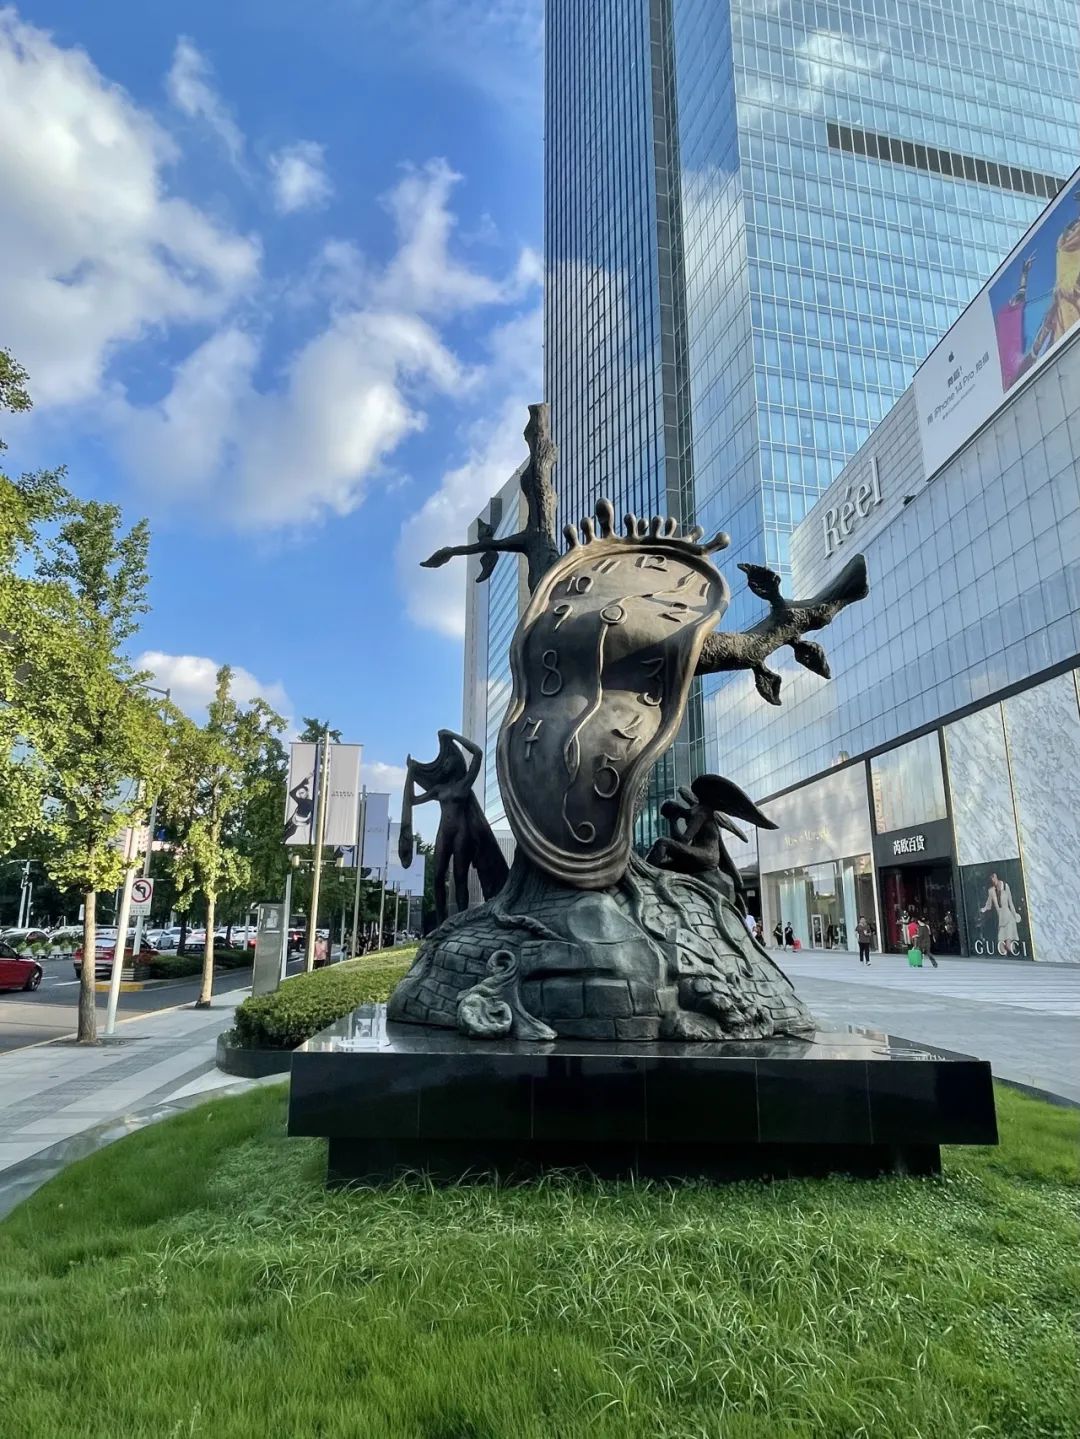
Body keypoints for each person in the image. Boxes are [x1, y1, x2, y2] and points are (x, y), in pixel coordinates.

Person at [981, 871, 1021, 954]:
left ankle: (1015, 955)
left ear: (996, 876)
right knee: (1001, 944)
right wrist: (983, 909)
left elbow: (1011, 903)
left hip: (1009, 918)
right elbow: (989, 904)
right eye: (991, 878)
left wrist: (1015, 915)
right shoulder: (991, 891)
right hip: (1001, 919)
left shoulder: (1006, 886)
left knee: (1009, 944)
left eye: (993, 877)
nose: (993, 879)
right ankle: (1010, 957)